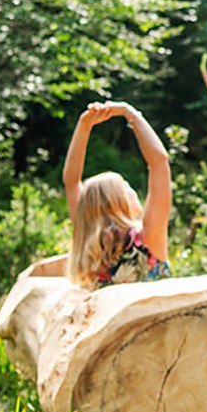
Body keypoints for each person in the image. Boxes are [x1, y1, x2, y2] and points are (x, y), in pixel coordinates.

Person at [63, 101, 174, 289]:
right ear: (118, 201)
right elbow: (159, 162)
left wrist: (84, 126)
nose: (132, 190)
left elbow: (72, 182)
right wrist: (129, 112)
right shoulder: (147, 240)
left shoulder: (88, 242)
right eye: (125, 185)